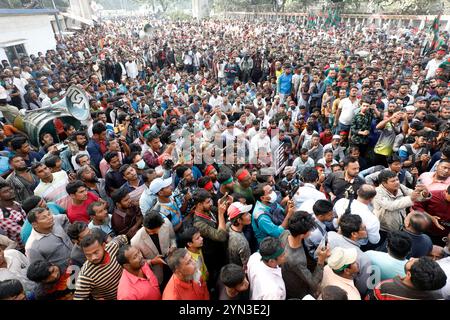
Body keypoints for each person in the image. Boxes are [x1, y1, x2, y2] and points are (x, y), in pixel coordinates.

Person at [281, 211, 330, 299]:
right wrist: (321, 261)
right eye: (310, 231)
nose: (311, 233)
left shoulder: (285, 233)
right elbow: (313, 283)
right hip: (298, 291)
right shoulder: (296, 260)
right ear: (302, 235)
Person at [373, 169, 430, 241]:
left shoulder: (400, 187)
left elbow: (414, 195)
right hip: (384, 229)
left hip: (400, 225)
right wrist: (411, 198)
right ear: (384, 183)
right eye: (393, 181)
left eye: (397, 179)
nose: (397, 182)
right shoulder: (377, 192)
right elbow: (390, 206)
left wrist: (424, 194)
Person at [327, 214, 372, 296]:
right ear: (354, 234)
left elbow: (317, 255)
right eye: (363, 228)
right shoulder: (364, 259)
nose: (366, 228)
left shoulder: (330, 235)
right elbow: (362, 287)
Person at [193, 190, 229, 293]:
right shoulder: (198, 223)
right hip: (212, 256)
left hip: (220, 250)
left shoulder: (209, 210)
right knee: (215, 276)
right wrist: (221, 214)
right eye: (208, 202)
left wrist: (226, 203)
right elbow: (221, 236)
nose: (211, 204)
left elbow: (220, 210)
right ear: (200, 204)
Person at [73, 232, 128, 300]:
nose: (93, 257)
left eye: (96, 252)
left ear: (103, 246)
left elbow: (123, 238)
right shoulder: (86, 275)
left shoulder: (112, 247)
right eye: (88, 255)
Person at [130, 210, 176, 289]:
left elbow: (172, 238)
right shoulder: (135, 241)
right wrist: (152, 261)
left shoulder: (166, 223)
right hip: (156, 273)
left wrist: (173, 246)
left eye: (159, 229)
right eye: (153, 232)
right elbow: (139, 262)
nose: (157, 232)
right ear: (144, 226)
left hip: (171, 265)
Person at [368, 257, 447, 300]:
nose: (412, 258)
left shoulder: (385, 288)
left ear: (409, 274)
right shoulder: (438, 297)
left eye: (412, 261)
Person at [25, 208, 73, 274]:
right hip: (65, 274)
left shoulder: (54, 220)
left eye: (49, 214)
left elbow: (64, 218)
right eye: (44, 218)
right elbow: (40, 270)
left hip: (78, 259)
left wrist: (70, 233)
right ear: (34, 224)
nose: (50, 218)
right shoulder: (32, 247)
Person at [226, 201, 252, 269]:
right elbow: (247, 266)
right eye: (246, 214)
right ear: (239, 220)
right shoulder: (242, 242)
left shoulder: (228, 225)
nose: (250, 215)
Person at [0, 181, 27, 246]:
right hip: (23, 245)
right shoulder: (4, 216)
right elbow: (22, 233)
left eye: (10, 189)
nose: (11, 191)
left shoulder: (15, 203)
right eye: (5, 192)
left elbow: (25, 220)